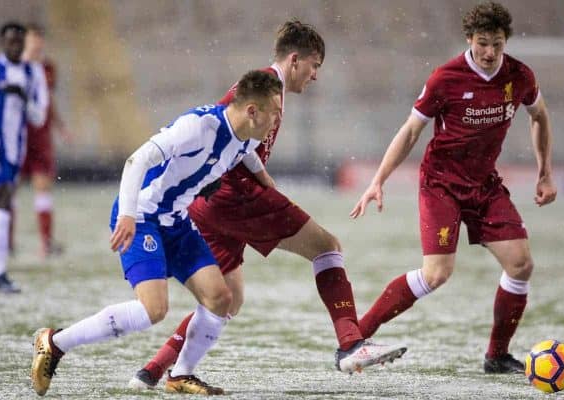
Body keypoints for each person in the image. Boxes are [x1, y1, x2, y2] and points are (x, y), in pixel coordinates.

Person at [129, 19, 406, 390]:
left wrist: (257, 176)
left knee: (227, 300)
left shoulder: (268, 88)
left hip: (217, 203)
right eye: (314, 65)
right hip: (235, 198)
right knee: (327, 248)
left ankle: (153, 370)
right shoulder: (258, 88)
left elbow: (239, 143)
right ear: (295, 60)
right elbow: (223, 123)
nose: (315, 75)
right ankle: (350, 344)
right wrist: (238, 181)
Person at [31, 70, 284, 396]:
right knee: (154, 310)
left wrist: (266, 182)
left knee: (221, 298)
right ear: (252, 110)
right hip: (141, 216)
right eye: (275, 112)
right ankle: (53, 342)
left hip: (176, 221)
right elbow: (136, 161)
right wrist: (127, 214)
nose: (277, 120)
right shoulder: (198, 127)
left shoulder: (247, 135)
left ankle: (181, 375)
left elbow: (244, 152)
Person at [350, 1, 557, 374]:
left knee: (521, 264)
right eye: (482, 43)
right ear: (469, 40)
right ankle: (355, 339)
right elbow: (411, 130)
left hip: (484, 185)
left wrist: (544, 172)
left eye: (497, 43)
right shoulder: (446, 78)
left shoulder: (520, 76)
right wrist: (377, 181)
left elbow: (539, 115)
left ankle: (496, 356)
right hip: (441, 185)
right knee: (437, 274)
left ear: (505, 40)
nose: (490, 52)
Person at [0, 21, 48, 294]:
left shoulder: (33, 72)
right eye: (10, 41)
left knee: (4, 204)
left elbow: (39, 116)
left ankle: (0, 270)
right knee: (2, 202)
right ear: (2, 43)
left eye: (19, 41)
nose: (15, 45)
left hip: (14, 150)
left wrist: (23, 97)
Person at [19, 23, 71, 257]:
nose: (37, 43)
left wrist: (60, 127)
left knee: (43, 186)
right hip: (16, 137)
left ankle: (45, 243)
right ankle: (6, 243)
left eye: (40, 39)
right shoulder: (13, 67)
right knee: (7, 190)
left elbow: (48, 100)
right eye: (32, 39)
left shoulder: (47, 68)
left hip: (40, 138)